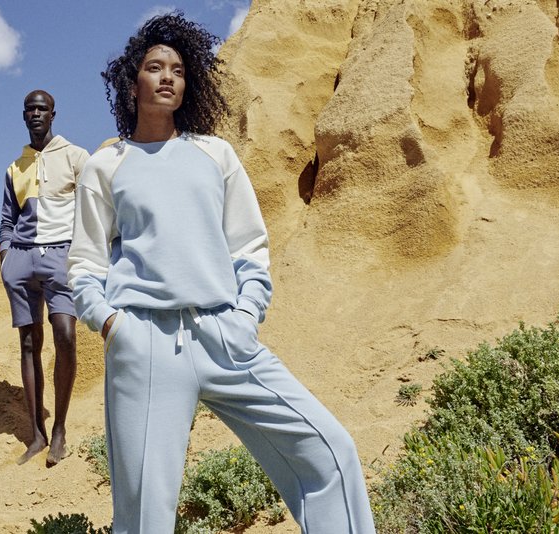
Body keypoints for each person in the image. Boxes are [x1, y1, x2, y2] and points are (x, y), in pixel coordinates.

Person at [67, 13, 376, 533]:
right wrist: (113, 326)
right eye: (154, 66)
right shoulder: (107, 165)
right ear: (131, 80)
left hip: (225, 336)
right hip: (145, 345)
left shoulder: (216, 155)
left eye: (179, 69)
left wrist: (246, 314)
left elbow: (249, 247)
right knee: (144, 514)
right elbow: (85, 263)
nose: (167, 76)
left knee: (330, 452)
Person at [0, 89, 89, 466]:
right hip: (20, 259)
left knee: (65, 335)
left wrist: (80, 254)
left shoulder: (76, 156)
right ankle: (36, 434)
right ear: (24, 116)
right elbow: (7, 218)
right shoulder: (15, 167)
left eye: (43, 109)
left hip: (60, 256)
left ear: (54, 114)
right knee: (28, 344)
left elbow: (93, 206)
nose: (36, 114)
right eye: (30, 110)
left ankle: (59, 430)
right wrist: (6, 255)